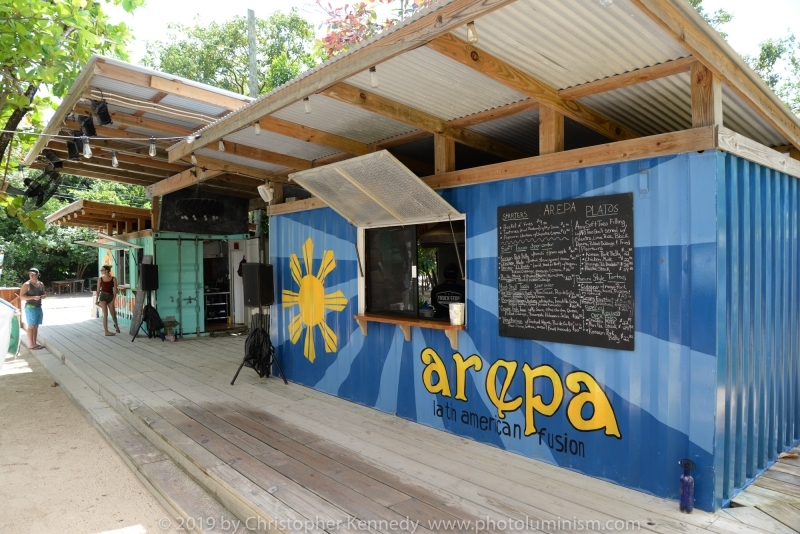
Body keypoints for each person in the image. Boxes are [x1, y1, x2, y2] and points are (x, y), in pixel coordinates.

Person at [20, 267, 46, 350]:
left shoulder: (41, 284)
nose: (31, 276)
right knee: (31, 326)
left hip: (38, 307)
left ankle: (35, 343)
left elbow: (44, 294)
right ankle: (31, 344)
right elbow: (22, 296)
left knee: (36, 326)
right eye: (30, 274)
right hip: (30, 307)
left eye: (33, 275)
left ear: (37, 275)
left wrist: (42, 296)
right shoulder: (26, 284)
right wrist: (33, 297)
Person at [96, 265, 120, 336]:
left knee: (113, 315)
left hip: (110, 296)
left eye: (102, 270)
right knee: (105, 314)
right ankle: (106, 331)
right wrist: (96, 299)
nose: (101, 271)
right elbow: (98, 290)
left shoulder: (113, 279)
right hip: (103, 296)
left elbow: (115, 290)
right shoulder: (100, 279)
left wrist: (113, 300)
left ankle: (116, 326)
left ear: (107, 270)